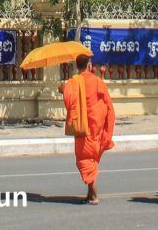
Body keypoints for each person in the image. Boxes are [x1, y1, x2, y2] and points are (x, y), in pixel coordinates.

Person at [60, 53, 115, 204]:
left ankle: (95, 196)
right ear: (89, 66)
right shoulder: (98, 82)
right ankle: (90, 195)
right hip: (96, 127)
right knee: (89, 160)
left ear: (76, 66)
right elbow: (109, 106)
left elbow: (69, 102)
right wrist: (107, 127)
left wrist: (62, 90)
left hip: (82, 127)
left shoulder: (73, 82)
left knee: (85, 161)